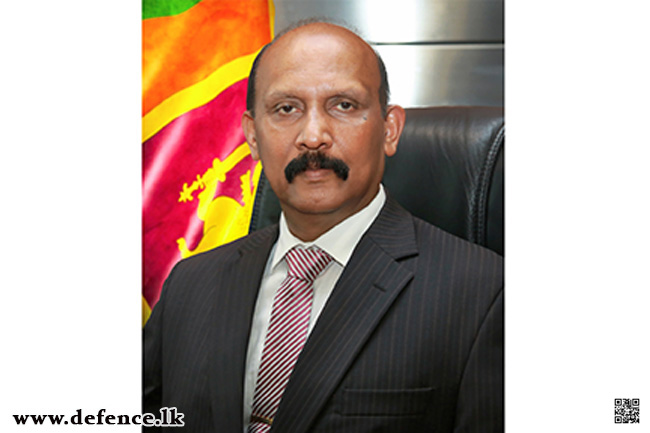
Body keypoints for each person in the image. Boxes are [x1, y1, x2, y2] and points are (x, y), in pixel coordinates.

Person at [143, 21, 503, 433]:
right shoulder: (190, 284)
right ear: (252, 137)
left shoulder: (485, 295)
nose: (313, 137)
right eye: (286, 109)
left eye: (343, 106)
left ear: (389, 129)